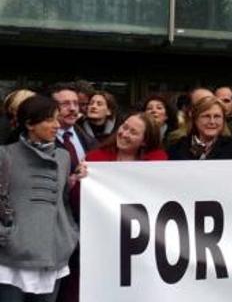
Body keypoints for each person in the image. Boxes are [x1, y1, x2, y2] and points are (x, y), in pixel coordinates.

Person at [0, 95, 84, 301]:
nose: (57, 125)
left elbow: (62, 201)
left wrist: (69, 234)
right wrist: (6, 234)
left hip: (54, 252)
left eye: (57, 119)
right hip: (12, 257)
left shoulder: (63, 157)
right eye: (49, 120)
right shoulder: (5, 155)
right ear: (29, 124)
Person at [166, 96, 232, 160]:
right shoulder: (177, 148)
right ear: (195, 119)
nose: (212, 122)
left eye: (217, 116)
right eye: (206, 116)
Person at [50, 84, 96, 175]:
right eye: (65, 104)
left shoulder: (89, 139)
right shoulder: (42, 142)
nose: (73, 108)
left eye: (76, 103)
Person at [86, 112, 168, 162]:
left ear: (144, 142)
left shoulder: (157, 162)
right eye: (124, 127)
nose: (124, 134)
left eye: (133, 132)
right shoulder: (95, 158)